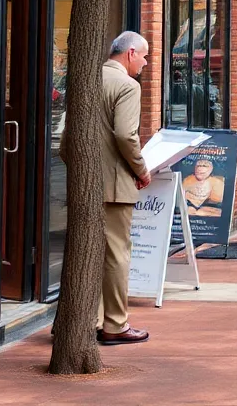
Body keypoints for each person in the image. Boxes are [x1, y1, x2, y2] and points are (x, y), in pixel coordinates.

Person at [76, 30, 152, 345]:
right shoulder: (127, 85)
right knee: (117, 254)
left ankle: (88, 321)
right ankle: (116, 325)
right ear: (131, 53)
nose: (146, 63)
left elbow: (68, 135)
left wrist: (79, 169)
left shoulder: (87, 80)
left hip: (85, 183)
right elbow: (126, 135)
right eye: (145, 56)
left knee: (86, 253)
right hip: (117, 184)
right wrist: (142, 170)